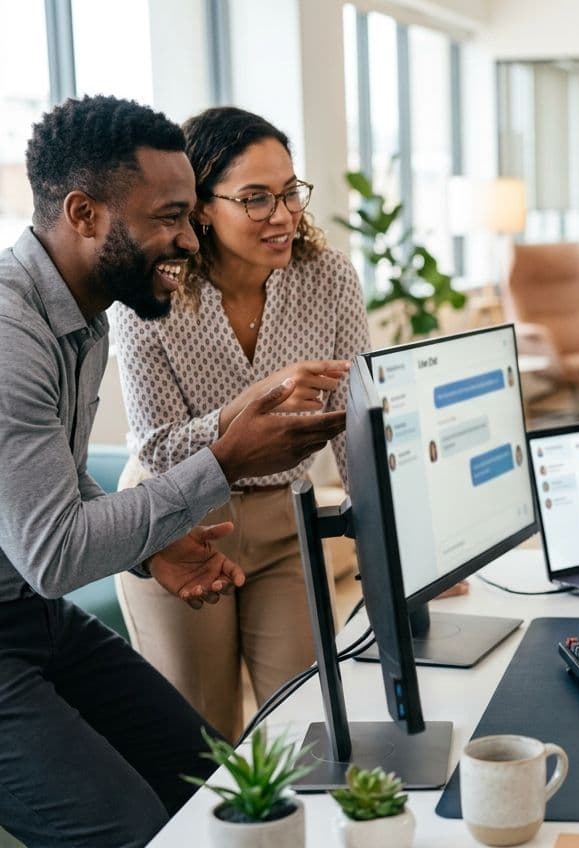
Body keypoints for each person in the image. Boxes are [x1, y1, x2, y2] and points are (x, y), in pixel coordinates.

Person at [0, 95, 344, 848]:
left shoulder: (82, 311)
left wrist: (152, 545)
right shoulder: (10, 334)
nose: (190, 240)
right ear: (84, 213)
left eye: (191, 216)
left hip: (30, 613)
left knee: (213, 785)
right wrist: (225, 457)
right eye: (169, 218)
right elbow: (54, 554)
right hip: (20, 610)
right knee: (133, 829)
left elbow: (54, 485)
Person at [112, 107, 371, 742]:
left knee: (311, 725)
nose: (282, 215)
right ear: (201, 208)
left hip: (286, 522)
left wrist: (383, 541)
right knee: (204, 741)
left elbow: (356, 418)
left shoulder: (328, 278)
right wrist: (246, 408)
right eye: (255, 199)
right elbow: (158, 447)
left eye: (288, 192)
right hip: (176, 525)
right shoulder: (150, 296)